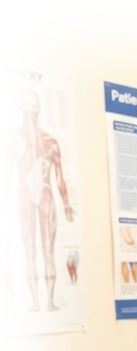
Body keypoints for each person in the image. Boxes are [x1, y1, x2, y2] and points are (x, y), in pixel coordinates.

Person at [13, 89, 75, 312]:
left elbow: (60, 176)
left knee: (47, 246)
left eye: (32, 106)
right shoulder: (14, 138)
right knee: (28, 246)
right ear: (21, 108)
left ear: (38, 109)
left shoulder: (50, 142)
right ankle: (35, 301)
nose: (29, 110)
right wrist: (30, 137)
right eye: (25, 106)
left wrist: (67, 203)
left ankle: (49, 300)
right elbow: (20, 164)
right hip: (25, 190)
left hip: (45, 190)